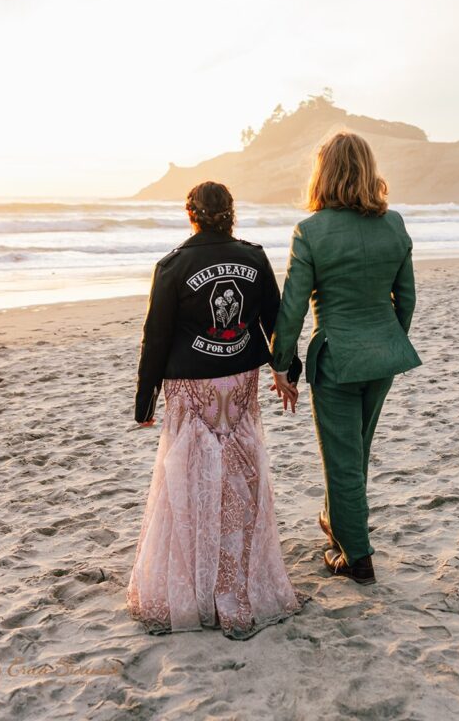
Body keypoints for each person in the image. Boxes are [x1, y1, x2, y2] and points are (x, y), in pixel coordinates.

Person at [126, 181, 307, 639]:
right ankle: (233, 589)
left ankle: (198, 592)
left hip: (190, 386)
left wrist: (144, 399)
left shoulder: (171, 266)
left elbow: (157, 337)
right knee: (240, 482)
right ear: (231, 212)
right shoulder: (253, 257)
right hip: (240, 381)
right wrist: (288, 369)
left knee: (189, 484)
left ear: (191, 213)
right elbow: (274, 319)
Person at [270, 132, 422, 585]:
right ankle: (337, 524)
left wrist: (281, 362)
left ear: (324, 173)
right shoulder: (393, 224)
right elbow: (407, 299)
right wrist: (387, 342)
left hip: (337, 360)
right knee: (356, 453)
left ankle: (357, 558)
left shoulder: (311, 231)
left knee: (342, 462)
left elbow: (293, 307)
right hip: (382, 355)